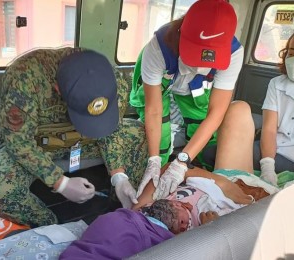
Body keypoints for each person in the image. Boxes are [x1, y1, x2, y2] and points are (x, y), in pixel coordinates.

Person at [59, 101, 280, 260]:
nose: (181, 202)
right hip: (221, 179)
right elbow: (162, 177)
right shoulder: (152, 210)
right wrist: (179, 170)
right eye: (181, 204)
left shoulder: (245, 205)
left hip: (236, 185)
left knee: (239, 108)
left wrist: (213, 233)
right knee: (239, 108)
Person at [0, 48, 148, 227]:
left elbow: (111, 129)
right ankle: (50, 227)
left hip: (85, 142)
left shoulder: (113, 80)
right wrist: (60, 183)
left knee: (139, 134)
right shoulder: (25, 77)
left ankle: (122, 212)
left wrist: (119, 176)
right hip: (38, 148)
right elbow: (18, 141)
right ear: (58, 89)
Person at [129, 0, 244, 201]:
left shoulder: (234, 53)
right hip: (163, 78)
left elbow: (216, 112)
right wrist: (155, 159)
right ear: (183, 35)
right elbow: (154, 109)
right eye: (196, 56)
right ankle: (151, 185)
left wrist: (182, 161)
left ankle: (197, 178)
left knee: (206, 137)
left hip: (196, 88)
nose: (200, 66)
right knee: (159, 142)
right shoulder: (159, 47)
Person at [252, 32, 294, 185]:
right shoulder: (276, 83)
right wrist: (267, 167)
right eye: (291, 53)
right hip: (276, 150)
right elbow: (269, 129)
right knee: (212, 153)